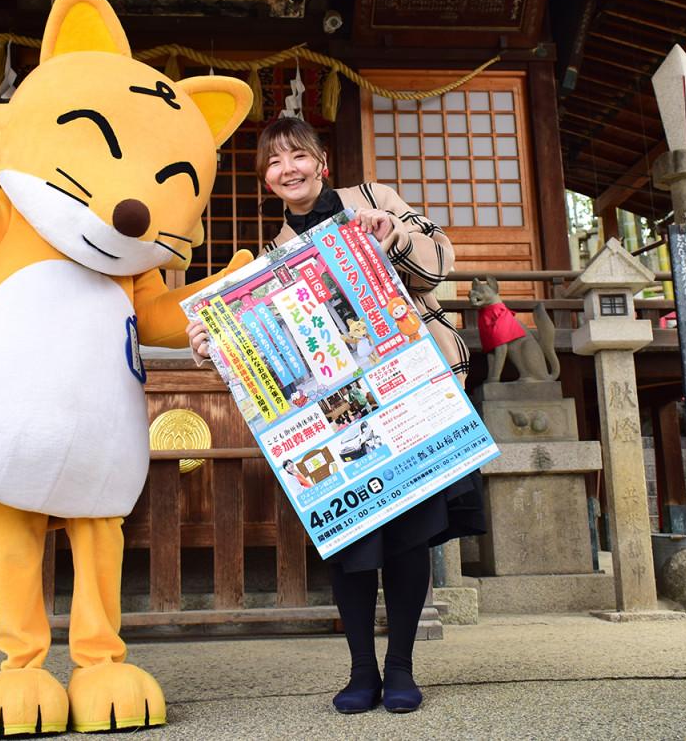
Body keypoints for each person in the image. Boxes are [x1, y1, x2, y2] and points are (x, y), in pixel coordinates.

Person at [187, 116, 484, 716]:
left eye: (297, 155)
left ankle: (400, 668)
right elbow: (270, 360)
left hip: (409, 393)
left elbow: (440, 264)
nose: (288, 169)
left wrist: (392, 234)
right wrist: (215, 345)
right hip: (337, 415)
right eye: (274, 162)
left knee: (408, 536)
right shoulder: (270, 257)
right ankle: (361, 671)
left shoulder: (373, 200)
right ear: (266, 180)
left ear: (321, 162)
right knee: (350, 538)